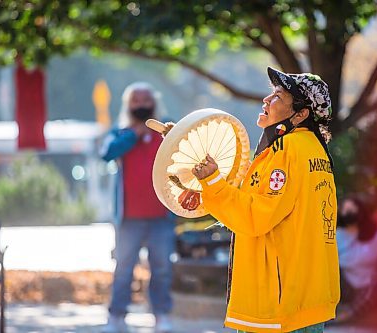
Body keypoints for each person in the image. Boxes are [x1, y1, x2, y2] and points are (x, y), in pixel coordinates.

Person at [191, 67, 340, 333]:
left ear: (301, 114)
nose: (266, 100)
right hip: (305, 300)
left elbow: (256, 216)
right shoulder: (314, 150)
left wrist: (212, 184)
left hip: (279, 306)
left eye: (278, 97)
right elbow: (258, 197)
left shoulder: (288, 149)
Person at [100, 82, 175, 333]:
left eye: (146, 99)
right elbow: (107, 153)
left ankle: (161, 315)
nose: (141, 104)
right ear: (128, 104)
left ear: (154, 102)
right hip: (128, 218)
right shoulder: (119, 132)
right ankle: (117, 317)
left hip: (161, 217)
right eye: (136, 100)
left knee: (162, 268)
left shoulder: (168, 129)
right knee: (123, 269)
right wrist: (134, 132)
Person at [336, 196, 377, 324]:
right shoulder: (337, 235)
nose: (348, 213)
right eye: (345, 210)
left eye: (352, 209)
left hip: (369, 289)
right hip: (345, 289)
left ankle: (347, 316)